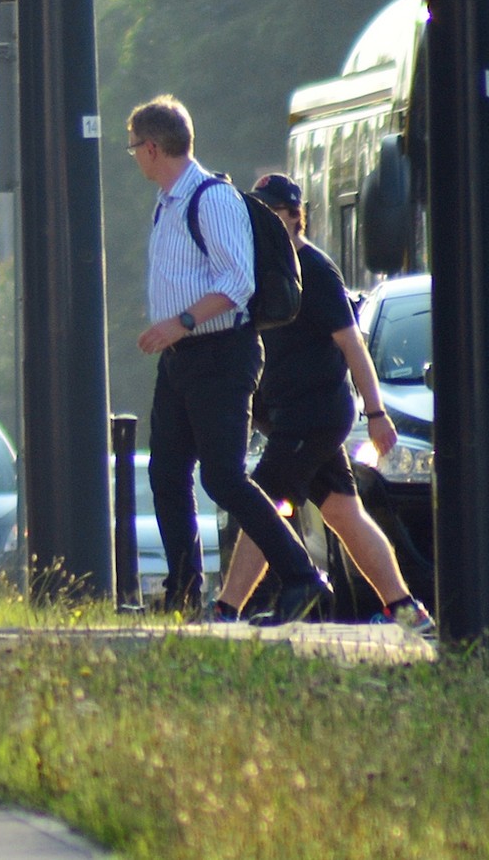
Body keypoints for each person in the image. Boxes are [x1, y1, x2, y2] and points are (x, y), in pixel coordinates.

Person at [128, 96, 329, 623]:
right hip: (180, 360)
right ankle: (183, 596)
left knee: (223, 477)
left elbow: (237, 282)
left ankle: (303, 578)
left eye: (135, 149)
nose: (135, 158)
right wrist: (172, 333)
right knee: (167, 474)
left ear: (153, 148)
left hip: (221, 353)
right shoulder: (167, 202)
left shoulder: (210, 199)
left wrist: (181, 321)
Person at [211, 175, 433, 633]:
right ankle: (408, 611)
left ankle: (227, 610)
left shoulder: (314, 268)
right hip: (291, 418)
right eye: (260, 212)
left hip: (313, 416)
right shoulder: (262, 267)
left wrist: (376, 414)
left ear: (296, 216)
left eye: (275, 213)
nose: (266, 221)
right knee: (343, 514)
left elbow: (353, 345)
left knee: (262, 504)